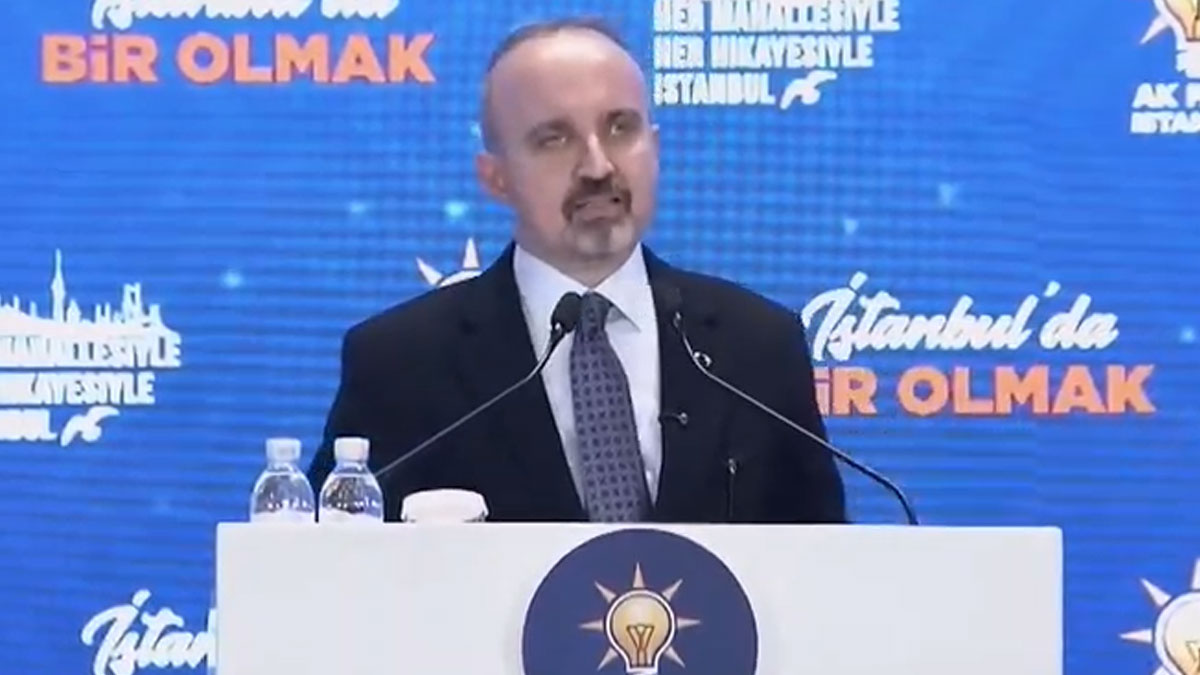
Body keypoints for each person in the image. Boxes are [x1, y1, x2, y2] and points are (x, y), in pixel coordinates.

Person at [306, 17, 846, 523]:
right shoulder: (401, 362)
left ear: (655, 148)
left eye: (620, 128)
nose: (598, 166)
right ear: (495, 177)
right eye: (554, 139)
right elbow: (325, 565)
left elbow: (824, 562)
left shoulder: (757, 348)